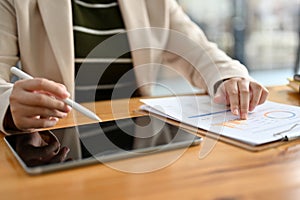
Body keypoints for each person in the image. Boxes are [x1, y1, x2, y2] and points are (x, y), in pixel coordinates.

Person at [0, 0, 269, 134]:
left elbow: (200, 51)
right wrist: (8, 106)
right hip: (57, 141)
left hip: (138, 138)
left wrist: (228, 78)